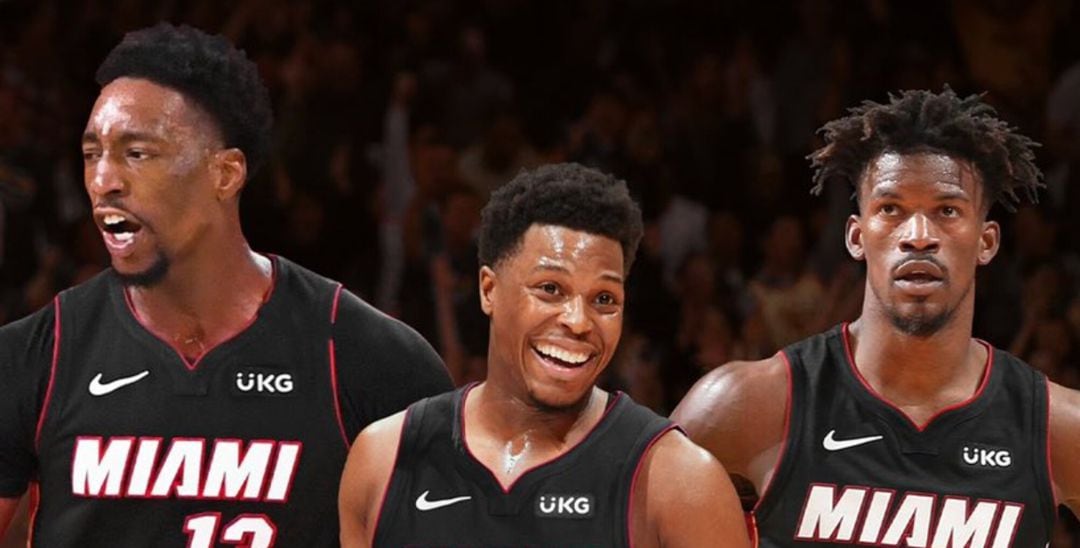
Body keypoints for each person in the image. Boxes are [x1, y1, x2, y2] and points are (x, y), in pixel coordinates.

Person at [0, 24, 453, 547]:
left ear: (226, 173)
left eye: (137, 153)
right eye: (92, 153)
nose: (105, 180)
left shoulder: (368, 358)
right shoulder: (35, 357)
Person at [672, 87, 1080, 546]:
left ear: (986, 242)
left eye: (947, 211)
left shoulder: (1058, 428)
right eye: (891, 209)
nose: (919, 236)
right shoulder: (746, 406)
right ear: (856, 236)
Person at [339, 163, 749, 547]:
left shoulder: (679, 482)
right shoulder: (383, 458)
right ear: (489, 289)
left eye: (604, 299)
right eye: (550, 289)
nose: (578, 321)